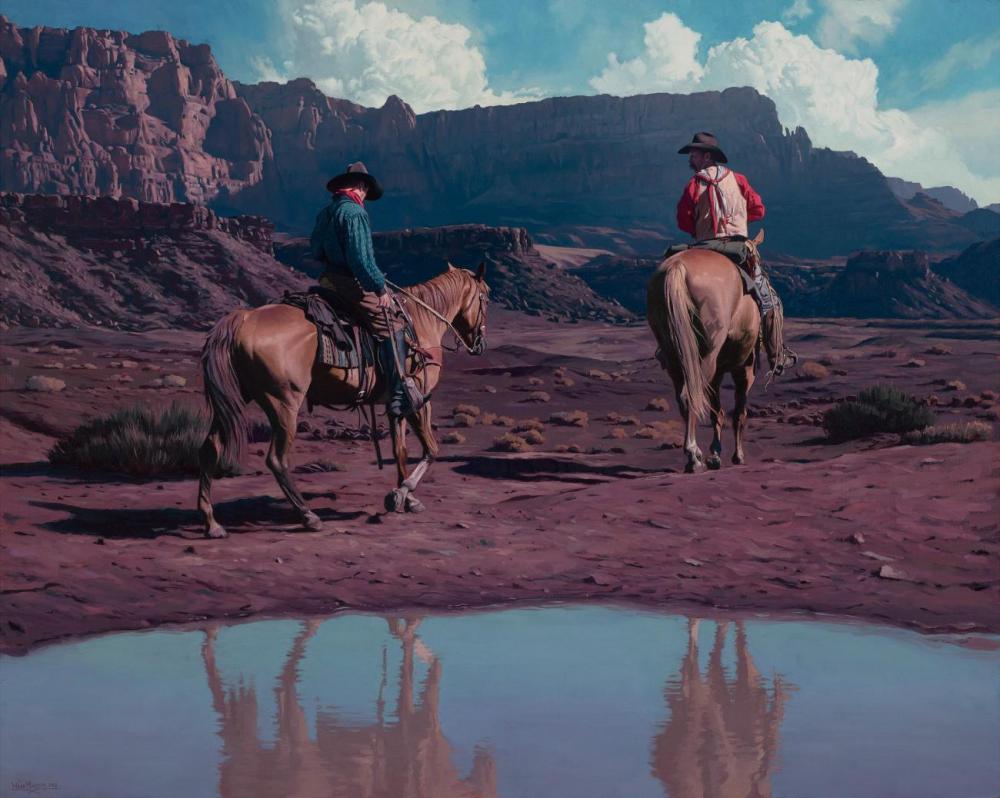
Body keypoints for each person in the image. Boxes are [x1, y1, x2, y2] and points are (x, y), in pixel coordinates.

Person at [309, 161, 426, 417]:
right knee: (392, 325)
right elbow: (361, 259)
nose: (365, 198)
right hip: (350, 284)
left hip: (327, 281)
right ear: (361, 187)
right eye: (365, 192)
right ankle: (398, 395)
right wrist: (380, 287)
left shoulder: (326, 213)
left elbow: (315, 249)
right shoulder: (355, 213)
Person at [675, 132, 792, 375]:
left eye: (694, 154)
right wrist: (737, 219)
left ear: (706, 156)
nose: (690, 159)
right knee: (769, 299)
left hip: (704, 246)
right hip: (738, 248)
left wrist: (703, 226)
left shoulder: (694, 184)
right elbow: (758, 210)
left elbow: (683, 222)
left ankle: (666, 347)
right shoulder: (738, 180)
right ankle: (776, 354)